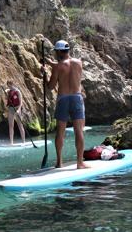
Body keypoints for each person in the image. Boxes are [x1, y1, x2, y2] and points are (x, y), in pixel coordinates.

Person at [42, 40, 88, 169]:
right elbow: (66, 65)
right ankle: (80, 163)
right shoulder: (79, 63)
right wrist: (53, 64)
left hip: (63, 99)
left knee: (60, 132)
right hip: (76, 98)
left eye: (56, 51)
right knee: (79, 131)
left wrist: (45, 74)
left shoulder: (57, 67)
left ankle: (59, 162)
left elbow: (50, 86)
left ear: (59, 51)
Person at [4, 81, 26, 145]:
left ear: (12, 84)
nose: (9, 87)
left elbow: (21, 102)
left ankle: (23, 142)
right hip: (11, 108)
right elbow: (6, 93)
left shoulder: (18, 91)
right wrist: (6, 91)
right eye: (8, 86)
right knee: (11, 126)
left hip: (17, 108)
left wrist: (19, 110)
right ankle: (11, 143)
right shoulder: (9, 91)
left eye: (10, 85)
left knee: (20, 125)